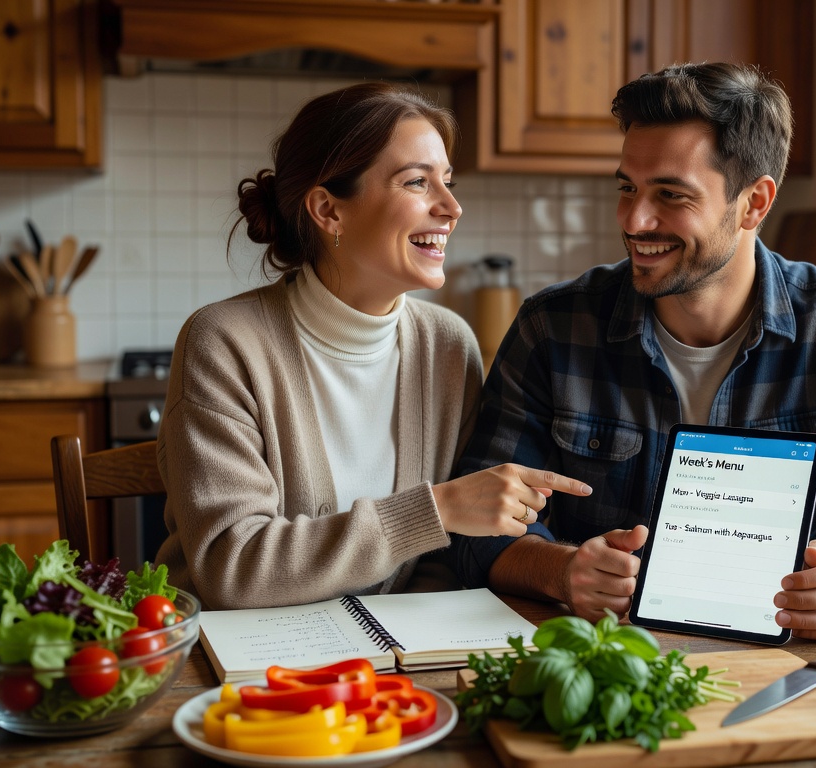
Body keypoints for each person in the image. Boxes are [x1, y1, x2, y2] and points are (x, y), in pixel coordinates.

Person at [447, 63, 816, 640]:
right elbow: (473, 528)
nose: (634, 220)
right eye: (627, 188)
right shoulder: (553, 327)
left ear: (754, 203)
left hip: (775, 655)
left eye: (670, 194)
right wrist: (562, 572)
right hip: (605, 653)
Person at [156, 83, 591, 610]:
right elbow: (233, 568)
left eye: (448, 182)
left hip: (393, 649)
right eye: (417, 182)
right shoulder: (225, 342)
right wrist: (436, 509)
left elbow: (446, 560)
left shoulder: (448, 345)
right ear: (328, 211)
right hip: (237, 650)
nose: (452, 207)